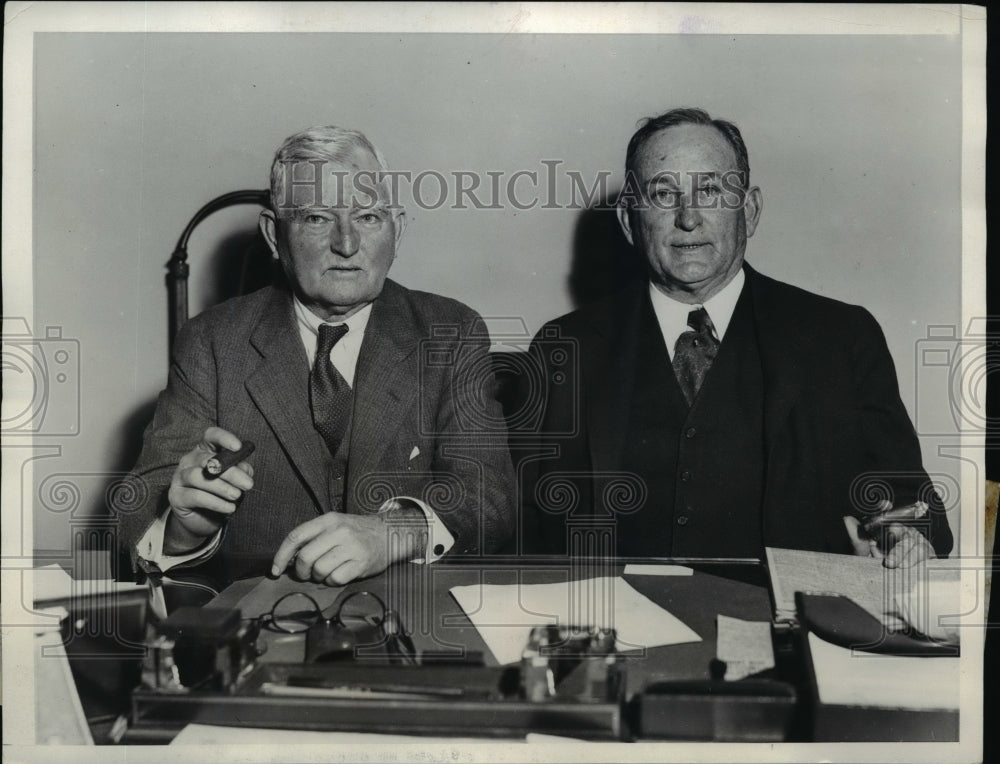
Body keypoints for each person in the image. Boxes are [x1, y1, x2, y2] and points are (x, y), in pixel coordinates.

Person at [521, 107, 952, 566]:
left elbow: (913, 500)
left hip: (786, 624)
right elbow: (527, 527)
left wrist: (903, 536)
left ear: (749, 210)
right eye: (663, 194)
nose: (688, 218)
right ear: (629, 222)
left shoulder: (840, 337)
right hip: (622, 625)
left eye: (710, 190)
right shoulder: (565, 347)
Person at [118, 125, 515, 585]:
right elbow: (138, 514)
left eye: (368, 217)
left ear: (397, 229)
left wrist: (393, 532)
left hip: (410, 625)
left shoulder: (451, 332)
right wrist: (187, 526)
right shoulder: (211, 341)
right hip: (262, 630)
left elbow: (491, 497)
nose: (346, 244)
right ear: (273, 235)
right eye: (316, 218)